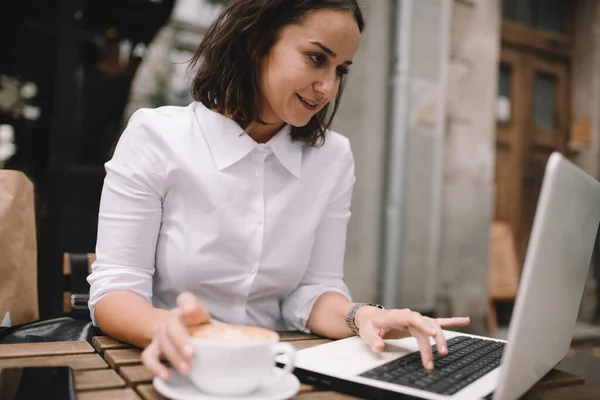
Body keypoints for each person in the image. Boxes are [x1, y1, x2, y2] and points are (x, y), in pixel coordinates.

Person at [87, 0, 470, 382]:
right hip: (172, 366)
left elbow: (313, 291)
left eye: (341, 70)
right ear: (256, 43)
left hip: (277, 372)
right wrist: (165, 327)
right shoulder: (156, 137)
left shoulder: (332, 159)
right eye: (317, 58)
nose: (328, 88)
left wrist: (364, 316)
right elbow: (116, 288)